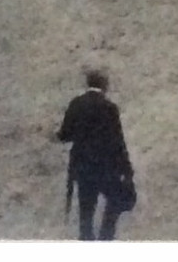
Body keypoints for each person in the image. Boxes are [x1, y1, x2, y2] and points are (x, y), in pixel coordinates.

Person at [57, 70, 135, 241]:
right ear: (105, 85)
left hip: (82, 166)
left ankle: (87, 245)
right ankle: (105, 238)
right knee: (115, 200)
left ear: (88, 84)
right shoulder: (109, 108)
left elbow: (64, 135)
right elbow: (117, 141)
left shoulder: (76, 104)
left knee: (86, 210)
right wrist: (127, 169)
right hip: (105, 166)